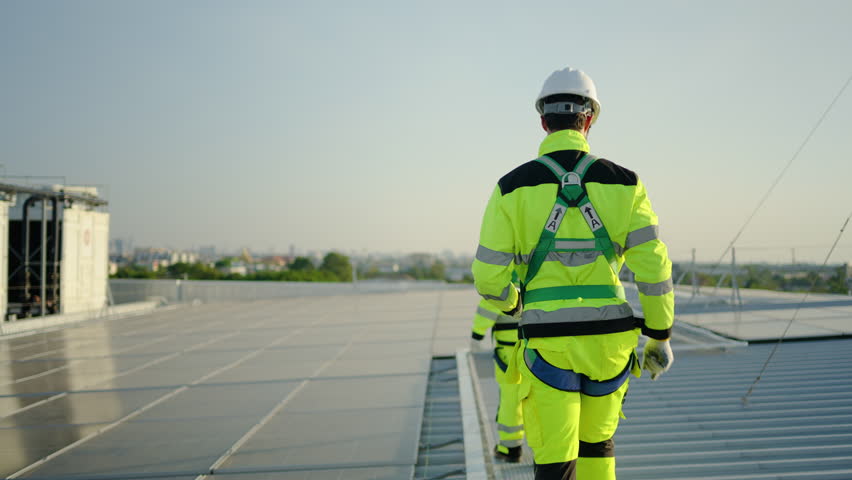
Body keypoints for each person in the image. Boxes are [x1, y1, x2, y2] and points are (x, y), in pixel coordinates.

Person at [471, 67, 674, 480]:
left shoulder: (511, 187)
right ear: (590, 118)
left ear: (543, 121)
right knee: (598, 450)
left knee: (556, 462)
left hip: (547, 344)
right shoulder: (627, 184)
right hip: (610, 345)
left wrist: (514, 302)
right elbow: (654, 269)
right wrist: (660, 335)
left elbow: (488, 277)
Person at [470, 284, 524, 462]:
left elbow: (487, 308)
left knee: (511, 399)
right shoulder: (540, 272)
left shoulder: (503, 281)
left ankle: (511, 448)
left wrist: (477, 336)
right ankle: (547, 453)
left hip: (509, 354)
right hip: (540, 350)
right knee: (541, 399)